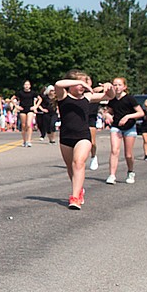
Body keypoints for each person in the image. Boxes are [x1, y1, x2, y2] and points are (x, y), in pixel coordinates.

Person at [53, 71, 112, 210]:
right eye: (78, 83)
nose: (81, 86)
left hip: (83, 136)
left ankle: (74, 198)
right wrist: (79, 82)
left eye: (83, 83)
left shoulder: (88, 97)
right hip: (66, 137)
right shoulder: (63, 96)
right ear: (71, 84)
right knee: (70, 167)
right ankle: (79, 189)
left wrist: (110, 88)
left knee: (78, 163)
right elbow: (58, 84)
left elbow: (110, 96)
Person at [106, 77, 144, 184]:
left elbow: (140, 113)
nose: (117, 87)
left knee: (128, 154)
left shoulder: (130, 99)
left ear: (124, 87)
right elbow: (109, 111)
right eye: (115, 85)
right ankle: (112, 175)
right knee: (114, 150)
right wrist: (107, 115)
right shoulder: (112, 99)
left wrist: (128, 117)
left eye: (119, 85)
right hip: (116, 126)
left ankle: (130, 171)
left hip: (129, 127)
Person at [14, 81, 39, 147]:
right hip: (22, 109)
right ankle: (24, 140)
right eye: (25, 84)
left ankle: (29, 140)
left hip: (30, 109)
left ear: (30, 86)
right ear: (23, 85)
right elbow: (12, 99)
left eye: (28, 84)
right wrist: (16, 106)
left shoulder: (33, 93)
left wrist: (36, 106)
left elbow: (40, 99)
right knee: (23, 125)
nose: (27, 86)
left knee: (28, 124)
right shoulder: (20, 93)